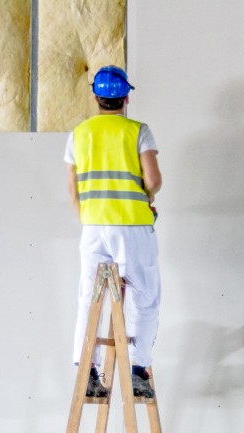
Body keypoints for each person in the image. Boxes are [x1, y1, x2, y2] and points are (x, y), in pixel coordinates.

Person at [66, 65, 162, 398]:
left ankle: (88, 372)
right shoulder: (138, 131)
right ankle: (136, 370)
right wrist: (148, 200)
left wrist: (91, 219)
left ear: (96, 97)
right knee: (143, 296)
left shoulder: (78, 134)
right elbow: (153, 180)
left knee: (88, 299)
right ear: (125, 98)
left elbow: (73, 191)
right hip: (132, 226)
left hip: (93, 228)